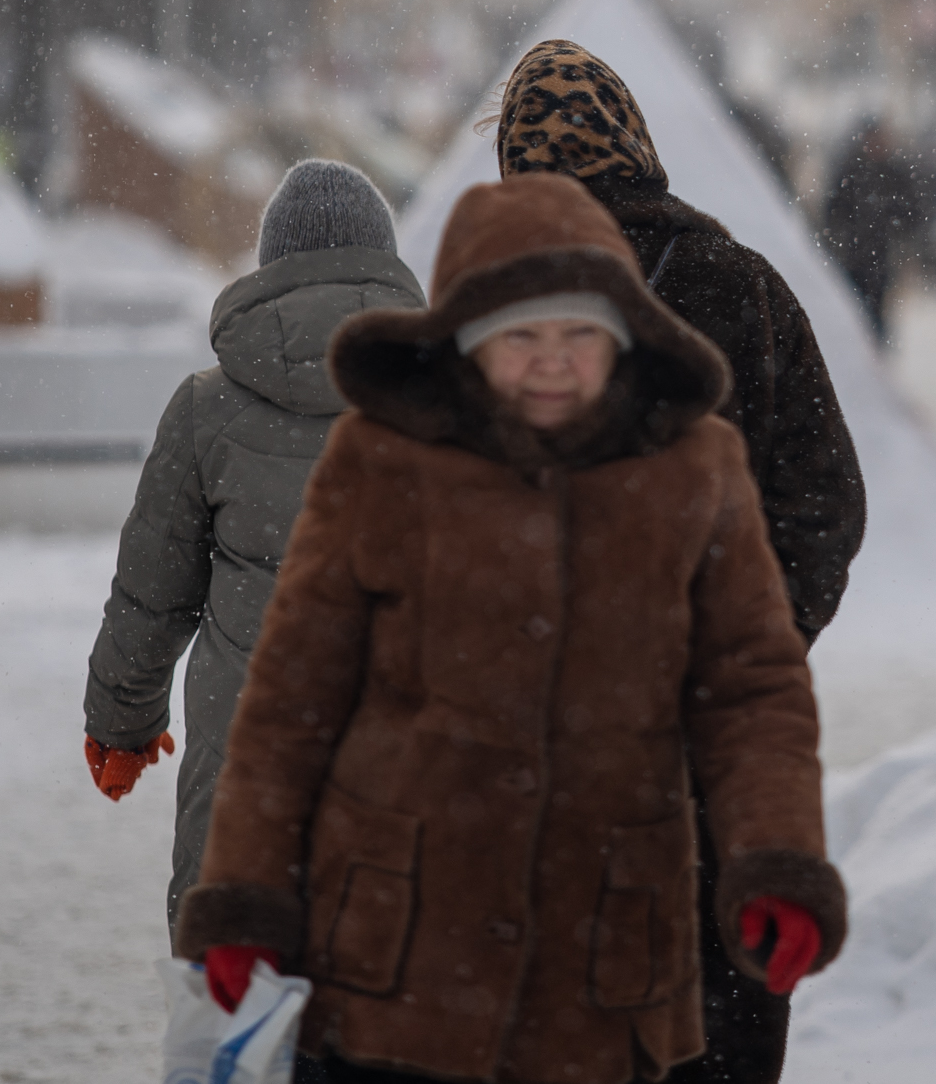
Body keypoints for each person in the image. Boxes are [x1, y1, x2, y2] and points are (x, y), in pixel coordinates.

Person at [173, 172, 848, 1084]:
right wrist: (247, 893)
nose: (552, 360)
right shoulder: (382, 465)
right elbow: (295, 695)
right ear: (467, 346)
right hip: (400, 946)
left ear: (622, 338)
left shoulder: (693, 475)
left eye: (580, 333)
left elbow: (752, 690)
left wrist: (776, 856)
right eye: (519, 335)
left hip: (606, 955)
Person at [492, 38, 866, 1084]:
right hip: (715, 750)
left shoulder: (490, 308)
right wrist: (753, 634)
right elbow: (826, 497)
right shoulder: (742, 286)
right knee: (715, 1017)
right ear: (637, 148)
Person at [81, 159, 423, 930]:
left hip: (244, 790)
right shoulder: (442, 398)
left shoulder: (207, 409)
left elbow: (150, 593)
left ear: (270, 269)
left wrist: (121, 724)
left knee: (233, 1024)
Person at [823, 118, 915, 343]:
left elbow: (911, 214)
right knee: (850, 310)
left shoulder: (895, 173)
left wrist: (894, 226)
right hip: (852, 256)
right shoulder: (851, 171)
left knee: (876, 314)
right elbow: (833, 212)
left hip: (882, 257)